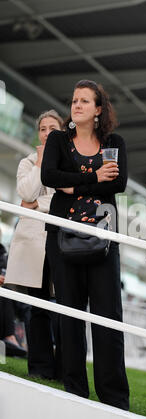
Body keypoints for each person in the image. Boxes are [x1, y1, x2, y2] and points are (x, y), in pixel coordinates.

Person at [41, 79, 129, 410]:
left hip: (103, 239)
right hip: (62, 238)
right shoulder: (58, 140)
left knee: (108, 318)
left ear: (98, 109)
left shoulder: (114, 141)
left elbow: (118, 182)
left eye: (84, 101)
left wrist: (72, 185)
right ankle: (75, 391)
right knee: (70, 317)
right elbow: (49, 176)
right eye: (74, 100)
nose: (76, 105)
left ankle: (115, 399)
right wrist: (92, 179)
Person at [5, 110, 63, 379]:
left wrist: (36, 205)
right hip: (32, 243)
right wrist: (41, 163)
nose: (47, 132)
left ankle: (64, 368)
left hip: (60, 239)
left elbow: (65, 202)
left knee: (62, 307)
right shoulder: (28, 163)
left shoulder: (70, 162)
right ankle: (40, 367)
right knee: (36, 307)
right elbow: (26, 192)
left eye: (53, 127)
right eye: (43, 128)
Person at [0, 242, 26, 357]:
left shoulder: (2, 252)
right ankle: (10, 338)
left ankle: (13, 340)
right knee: (5, 293)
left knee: (27, 305)